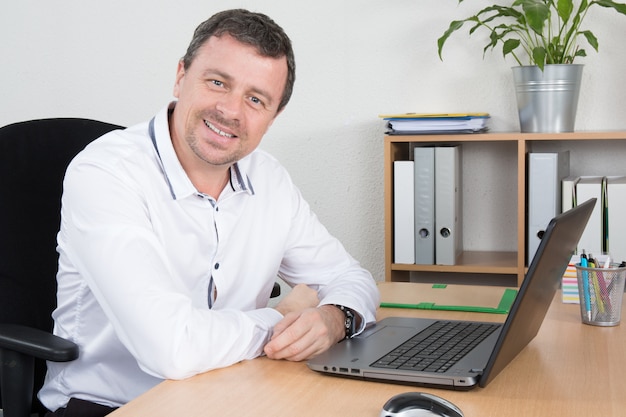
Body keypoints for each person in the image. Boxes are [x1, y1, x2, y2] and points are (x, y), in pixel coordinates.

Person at [39, 8, 379, 416]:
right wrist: (280, 319)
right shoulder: (106, 173)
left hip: (233, 391)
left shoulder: (269, 179)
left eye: (256, 99)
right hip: (111, 404)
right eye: (218, 82)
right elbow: (172, 348)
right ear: (181, 76)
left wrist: (334, 318)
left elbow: (349, 277)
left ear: (274, 116)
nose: (231, 111)